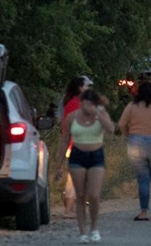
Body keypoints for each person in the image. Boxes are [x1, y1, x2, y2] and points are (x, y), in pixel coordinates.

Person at [55, 89, 114, 244]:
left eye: (89, 104)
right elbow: (64, 141)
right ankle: (82, 231)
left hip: (96, 155)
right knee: (80, 195)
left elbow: (111, 129)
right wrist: (58, 165)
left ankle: (94, 228)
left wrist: (98, 113)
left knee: (93, 195)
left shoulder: (100, 115)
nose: (86, 107)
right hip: (77, 155)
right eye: (83, 103)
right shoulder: (72, 117)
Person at [118, 81, 151, 221]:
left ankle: (143, 211)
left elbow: (121, 124)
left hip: (136, 142)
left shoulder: (132, 106)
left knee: (143, 179)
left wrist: (128, 134)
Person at [60, 76, 93, 218]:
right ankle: (69, 209)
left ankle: (72, 208)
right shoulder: (75, 104)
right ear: (80, 88)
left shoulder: (74, 103)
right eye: (86, 86)